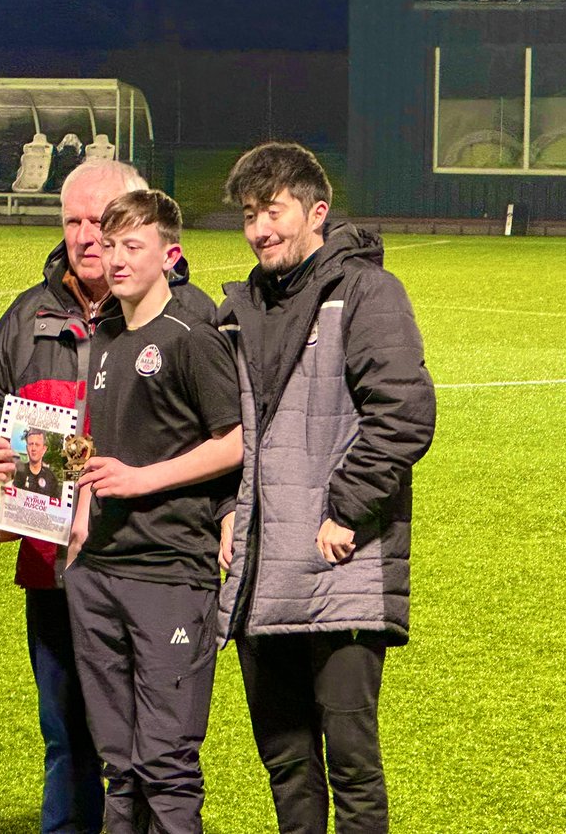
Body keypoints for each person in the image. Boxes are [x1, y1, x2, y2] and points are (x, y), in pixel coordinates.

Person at [0, 159, 217, 833]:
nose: (85, 237)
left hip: (154, 561)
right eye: (72, 221)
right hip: (53, 556)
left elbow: (230, 435)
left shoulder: (191, 319)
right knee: (67, 735)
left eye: (100, 223)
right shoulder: (29, 313)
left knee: (155, 748)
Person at [215, 142, 436, 833]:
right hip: (263, 572)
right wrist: (226, 511)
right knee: (286, 763)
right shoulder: (240, 307)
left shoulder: (368, 293)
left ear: (317, 211)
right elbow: (225, 430)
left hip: (342, 568)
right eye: (249, 215)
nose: (259, 230)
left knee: (350, 761)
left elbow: (403, 412)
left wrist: (346, 508)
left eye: (272, 211)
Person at [65, 190, 242, 834]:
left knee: (166, 765)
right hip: (98, 574)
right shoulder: (106, 338)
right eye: (110, 245)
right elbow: (102, 441)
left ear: (170, 255)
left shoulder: (193, 338)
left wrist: (141, 481)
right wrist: (81, 519)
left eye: (132, 246)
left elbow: (236, 441)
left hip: (170, 573)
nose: (115, 259)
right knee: (119, 766)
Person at [13, 429, 62, 499]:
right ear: (27, 448)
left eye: (37, 445)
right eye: (31, 444)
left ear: (44, 449)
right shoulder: (20, 472)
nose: (33, 448)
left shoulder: (51, 478)